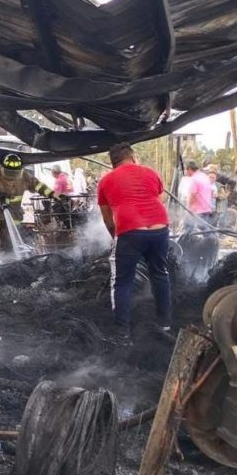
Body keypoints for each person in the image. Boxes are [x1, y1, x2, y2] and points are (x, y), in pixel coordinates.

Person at [96, 143, 170, 339]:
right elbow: (159, 201)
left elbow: (107, 218)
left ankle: (122, 334)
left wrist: (116, 238)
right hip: (160, 228)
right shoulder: (151, 173)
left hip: (130, 231)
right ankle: (165, 324)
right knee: (160, 274)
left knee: (121, 282)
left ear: (113, 163)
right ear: (133, 157)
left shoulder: (106, 180)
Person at [0, 153, 57, 258]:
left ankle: (7, 262)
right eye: (8, 173)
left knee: (9, 241)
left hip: (13, 213)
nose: (11, 177)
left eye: (14, 173)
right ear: (1, 167)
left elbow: (38, 185)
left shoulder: (24, 176)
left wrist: (53, 195)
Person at [185, 161, 215, 225]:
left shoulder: (194, 179)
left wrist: (188, 209)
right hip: (207, 208)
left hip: (198, 210)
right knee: (205, 230)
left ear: (189, 169)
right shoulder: (204, 176)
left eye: (186, 170)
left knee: (188, 226)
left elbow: (193, 195)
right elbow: (211, 191)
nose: (186, 172)